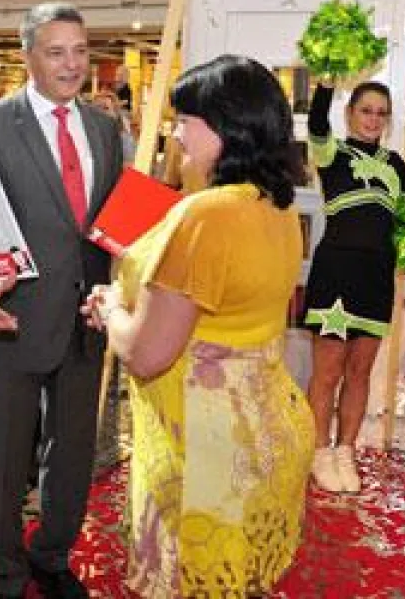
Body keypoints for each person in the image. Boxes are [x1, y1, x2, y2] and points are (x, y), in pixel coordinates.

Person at [84, 55, 312, 597]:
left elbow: (147, 353)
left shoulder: (205, 214)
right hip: (264, 428)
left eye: (187, 120)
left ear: (229, 125)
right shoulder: (276, 203)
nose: (177, 133)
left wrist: (111, 308)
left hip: (206, 449)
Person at [0, 2, 123, 599]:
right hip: (12, 321)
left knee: (74, 453)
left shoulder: (106, 128)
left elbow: (105, 225)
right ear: (26, 55)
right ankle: (5, 571)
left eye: (80, 51)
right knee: (2, 462)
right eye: (56, 52)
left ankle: (52, 554)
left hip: (86, 322)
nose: (72, 63)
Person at [302, 80, 405, 494]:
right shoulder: (333, 153)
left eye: (382, 112)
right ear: (350, 113)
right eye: (366, 110)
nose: (374, 119)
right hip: (336, 272)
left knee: (360, 371)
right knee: (327, 371)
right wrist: (327, 81)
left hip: (375, 278)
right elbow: (315, 123)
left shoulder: (396, 164)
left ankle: (346, 449)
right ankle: (317, 451)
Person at [94, 89, 136, 163]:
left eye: (106, 108)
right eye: (96, 108)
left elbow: (132, 169)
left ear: (115, 114)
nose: (100, 112)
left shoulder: (125, 140)